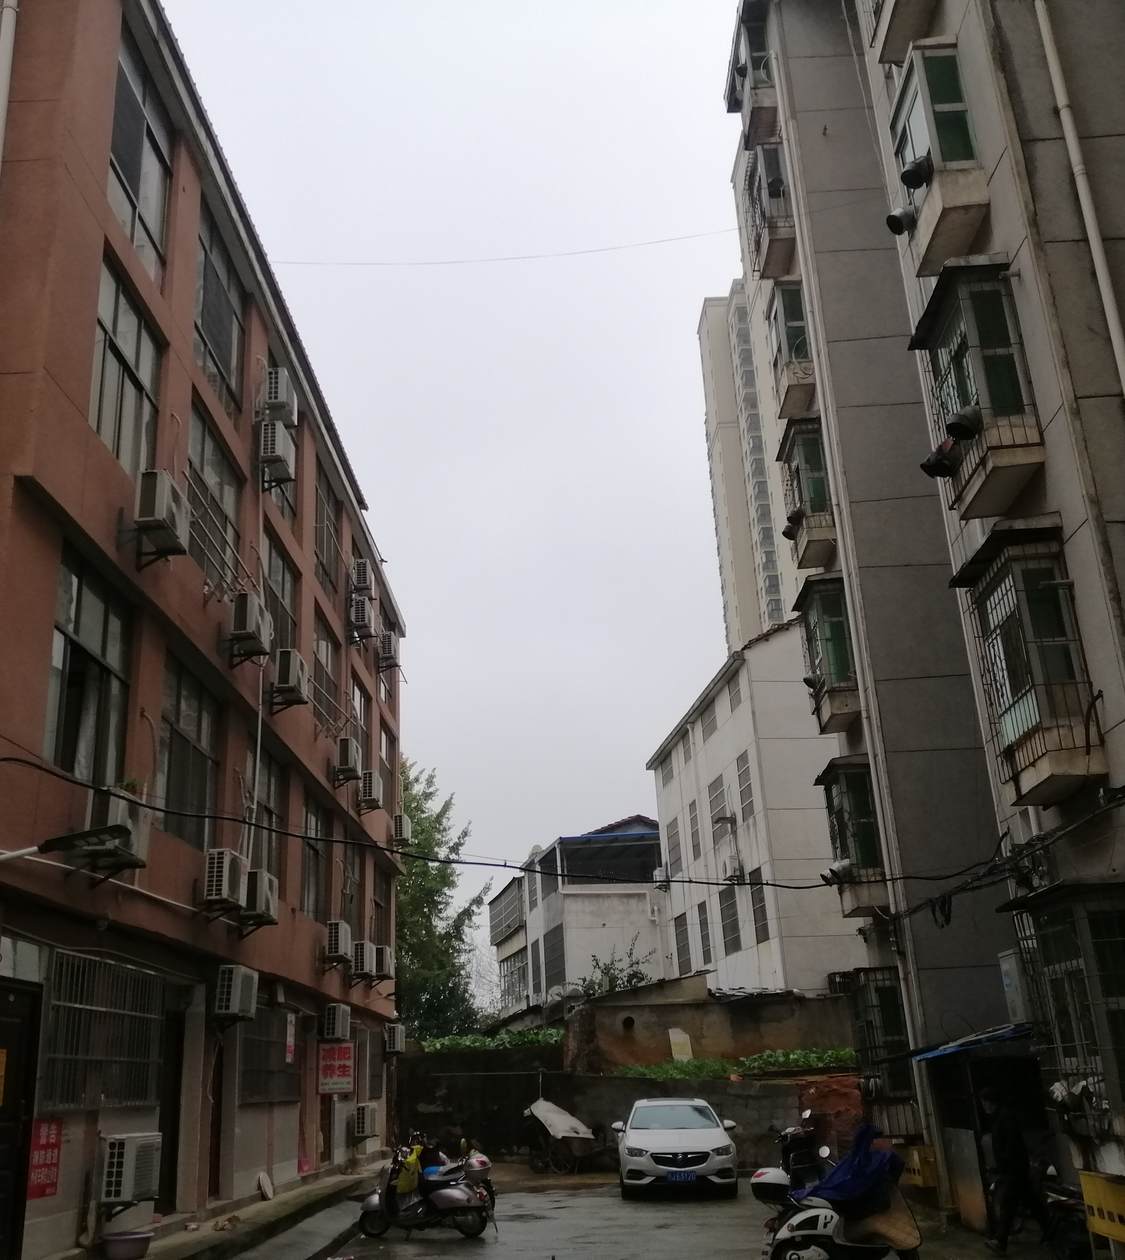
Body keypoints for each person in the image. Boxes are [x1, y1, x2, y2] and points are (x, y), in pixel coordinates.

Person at [978, 1087, 1052, 1255]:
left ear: (990, 1102)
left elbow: (1011, 1144)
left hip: (1013, 1168)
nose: (984, 1107)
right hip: (1014, 1168)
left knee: (1008, 1205)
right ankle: (1050, 1230)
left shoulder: (1004, 1118)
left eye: (985, 1103)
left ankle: (1001, 1242)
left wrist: (1004, 1163)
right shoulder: (1001, 1117)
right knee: (1031, 1201)